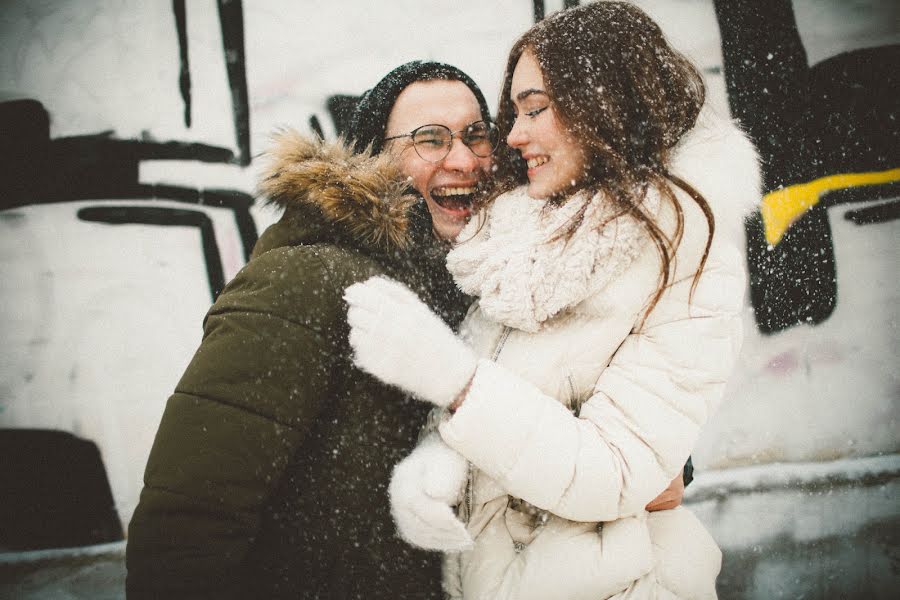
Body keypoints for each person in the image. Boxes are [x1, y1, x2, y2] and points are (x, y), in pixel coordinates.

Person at [344, 3, 762, 599]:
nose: (514, 136)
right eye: (514, 113)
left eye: (536, 109)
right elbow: (526, 393)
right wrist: (442, 462)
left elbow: (614, 471)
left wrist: (456, 382)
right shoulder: (522, 237)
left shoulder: (684, 252)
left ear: (605, 104)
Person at [125, 61, 496, 599]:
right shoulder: (307, 278)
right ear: (375, 156)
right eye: (430, 139)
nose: (463, 159)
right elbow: (190, 518)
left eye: (475, 135)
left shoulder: (479, 289)